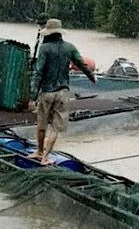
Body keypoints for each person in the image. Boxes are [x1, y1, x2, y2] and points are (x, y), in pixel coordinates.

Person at [28, 19, 96, 165]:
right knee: (55, 128)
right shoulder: (69, 48)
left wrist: (33, 97)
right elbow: (81, 64)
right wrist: (92, 77)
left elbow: (38, 73)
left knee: (42, 125)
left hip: (47, 92)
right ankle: (46, 157)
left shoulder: (45, 48)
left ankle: (39, 152)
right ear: (60, 33)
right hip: (63, 92)